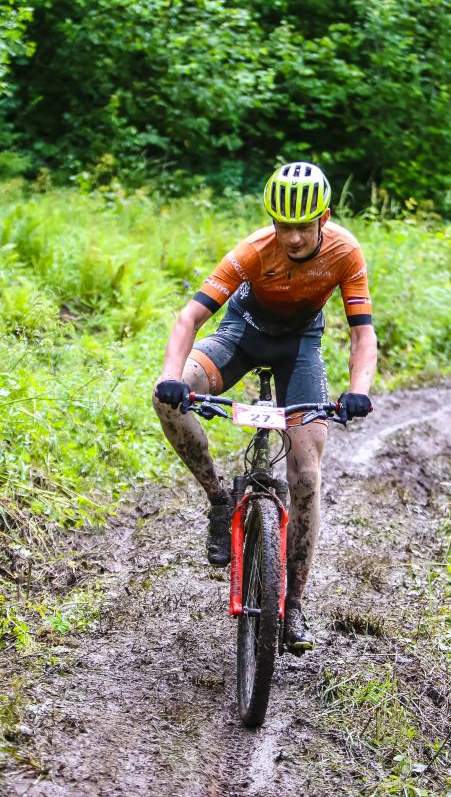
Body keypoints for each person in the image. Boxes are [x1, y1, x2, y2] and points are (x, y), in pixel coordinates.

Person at [153, 162, 378, 654]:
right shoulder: (254, 250)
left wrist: (358, 389)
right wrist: (172, 378)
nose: (293, 237)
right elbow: (190, 317)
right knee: (166, 398)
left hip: (300, 348)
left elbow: (362, 332)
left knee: (306, 476)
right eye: (283, 225)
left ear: (324, 218)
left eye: (303, 226)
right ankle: (219, 500)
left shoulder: (344, 251)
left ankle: (292, 605)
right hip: (243, 335)